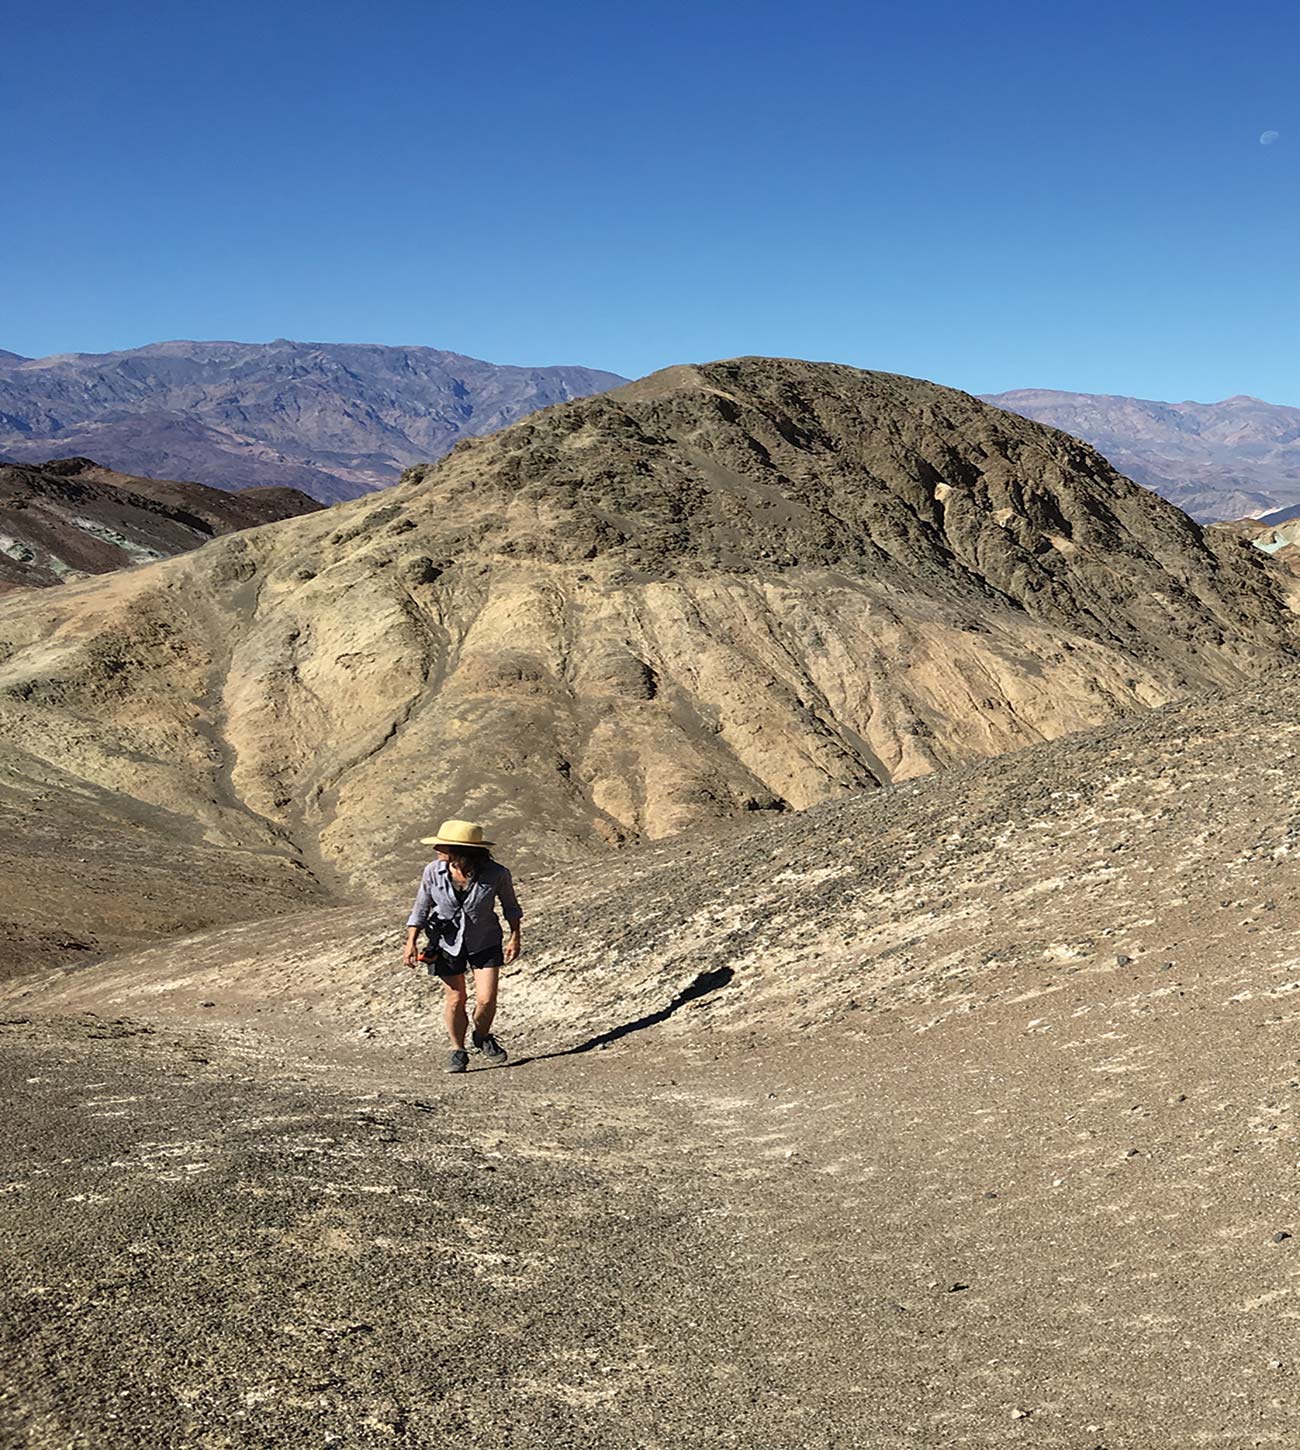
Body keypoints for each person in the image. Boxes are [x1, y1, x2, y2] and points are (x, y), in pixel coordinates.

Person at [402, 819, 523, 1074]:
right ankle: (458, 1051)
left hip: (485, 940)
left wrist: (515, 936)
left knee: (486, 998)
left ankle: (482, 1036)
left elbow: (510, 906)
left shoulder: (497, 873)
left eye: (442, 845)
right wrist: (411, 941)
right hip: (445, 943)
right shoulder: (433, 872)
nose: (436, 849)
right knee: (456, 998)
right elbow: (421, 907)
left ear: (461, 850)